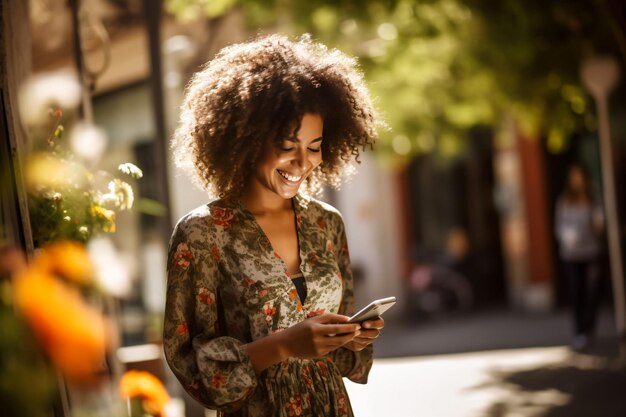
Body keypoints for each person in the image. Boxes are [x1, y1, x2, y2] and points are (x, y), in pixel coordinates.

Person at [164, 34, 385, 417]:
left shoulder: (327, 222)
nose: (303, 161)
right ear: (246, 138)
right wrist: (282, 346)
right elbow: (190, 364)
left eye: (314, 146)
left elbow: (350, 353)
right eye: (287, 144)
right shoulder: (202, 234)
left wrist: (353, 337)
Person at [554, 163, 605, 351]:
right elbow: (558, 226)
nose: (577, 180)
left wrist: (599, 224)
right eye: (573, 176)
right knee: (577, 291)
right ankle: (579, 331)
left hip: (591, 251)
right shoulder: (565, 201)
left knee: (592, 292)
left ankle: (589, 328)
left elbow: (600, 224)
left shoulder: (594, 199)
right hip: (572, 253)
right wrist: (567, 236)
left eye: (579, 176)